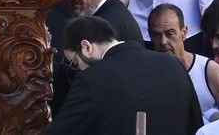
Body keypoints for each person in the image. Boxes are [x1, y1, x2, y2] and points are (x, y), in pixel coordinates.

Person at [45, 15, 203, 135]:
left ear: (86, 47)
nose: (77, 68)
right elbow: (196, 126)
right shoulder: (173, 65)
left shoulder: (91, 80)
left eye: (74, 62)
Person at [148, 3, 219, 119]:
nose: (163, 41)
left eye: (170, 34)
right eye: (156, 35)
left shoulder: (208, 71)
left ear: (184, 33)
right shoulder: (145, 74)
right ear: (149, 35)